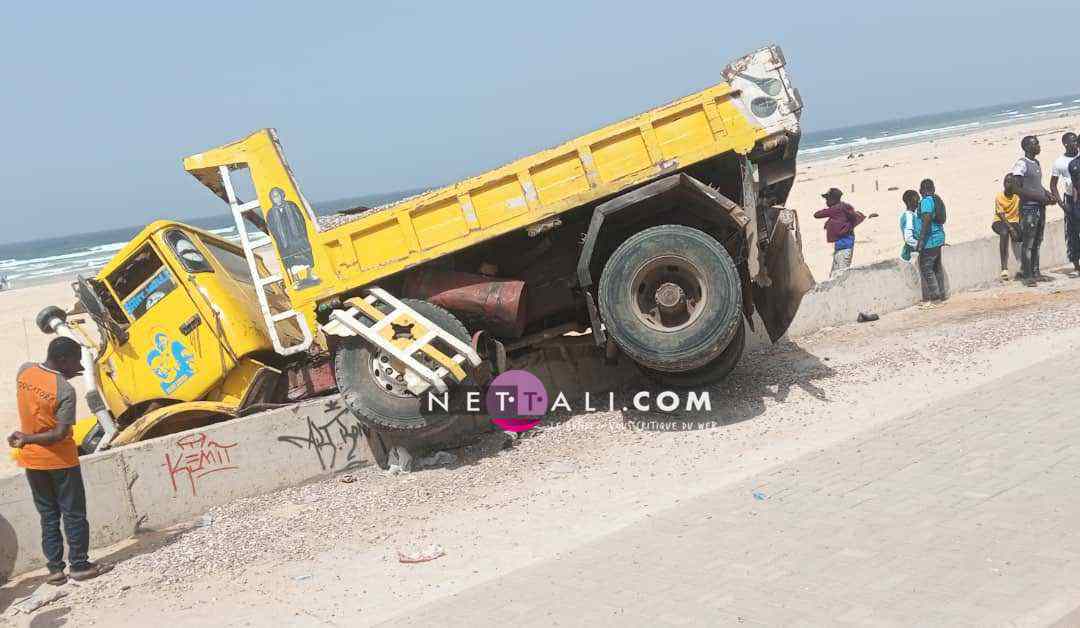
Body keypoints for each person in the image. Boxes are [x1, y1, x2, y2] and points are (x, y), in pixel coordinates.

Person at [8, 338, 112, 583]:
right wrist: (28, 438)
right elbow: (59, 434)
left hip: (32, 462)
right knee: (74, 514)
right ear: (64, 359)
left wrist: (26, 439)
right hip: (61, 462)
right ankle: (79, 565)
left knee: (48, 515)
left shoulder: (25, 370)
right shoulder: (65, 390)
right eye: (75, 360)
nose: (79, 365)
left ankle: (55, 570)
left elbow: (40, 397)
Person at [1012, 136, 1057, 286]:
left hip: (1039, 207)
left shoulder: (1036, 163)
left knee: (1037, 241)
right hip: (1029, 209)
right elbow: (1016, 188)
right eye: (1035, 144)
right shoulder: (1021, 164)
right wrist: (1038, 197)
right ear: (1026, 147)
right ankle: (1027, 275)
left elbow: (1036, 185)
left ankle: (1036, 272)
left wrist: (1047, 195)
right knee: (1028, 243)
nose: (1038, 146)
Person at [813, 188, 878, 278]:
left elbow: (817, 215)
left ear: (834, 199)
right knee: (837, 274)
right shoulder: (844, 208)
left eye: (828, 199)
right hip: (843, 246)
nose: (826, 201)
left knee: (839, 275)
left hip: (843, 247)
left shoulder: (836, 209)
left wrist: (830, 210)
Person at [265, 186, 320, 289]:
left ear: (282, 195)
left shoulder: (292, 206)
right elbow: (272, 229)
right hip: (285, 242)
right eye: (273, 197)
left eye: (277, 196)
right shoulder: (271, 213)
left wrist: (302, 235)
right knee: (290, 261)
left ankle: (309, 275)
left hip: (298, 238)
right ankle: (296, 280)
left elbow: (301, 220)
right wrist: (280, 241)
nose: (276, 199)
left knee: (306, 256)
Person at [913, 179, 947, 305]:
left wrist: (921, 240)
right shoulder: (935, 199)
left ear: (921, 190)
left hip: (930, 240)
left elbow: (926, 219)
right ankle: (941, 295)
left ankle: (935, 297)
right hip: (938, 238)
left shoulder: (926, 201)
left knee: (926, 268)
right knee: (936, 268)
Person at [1051, 132, 1080, 274]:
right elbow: (1053, 186)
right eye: (1072, 141)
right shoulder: (1059, 163)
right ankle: (1076, 264)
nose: (1075, 144)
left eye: (1076, 140)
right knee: (1073, 233)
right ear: (1065, 144)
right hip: (1071, 200)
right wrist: (1062, 205)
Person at [992, 174, 1022, 280]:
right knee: (1004, 233)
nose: (1007, 184)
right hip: (999, 221)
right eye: (1006, 182)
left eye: (1009, 182)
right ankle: (1004, 268)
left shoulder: (1017, 196)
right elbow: (1001, 215)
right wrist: (1011, 228)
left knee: (1021, 235)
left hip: (1014, 221)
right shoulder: (999, 196)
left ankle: (1022, 266)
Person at [899, 190, 920, 261]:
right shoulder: (908, 216)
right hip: (910, 257)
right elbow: (908, 238)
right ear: (909, 202)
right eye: (916, 199)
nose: (918, 201)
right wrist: (921, 246)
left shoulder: (914, 215)